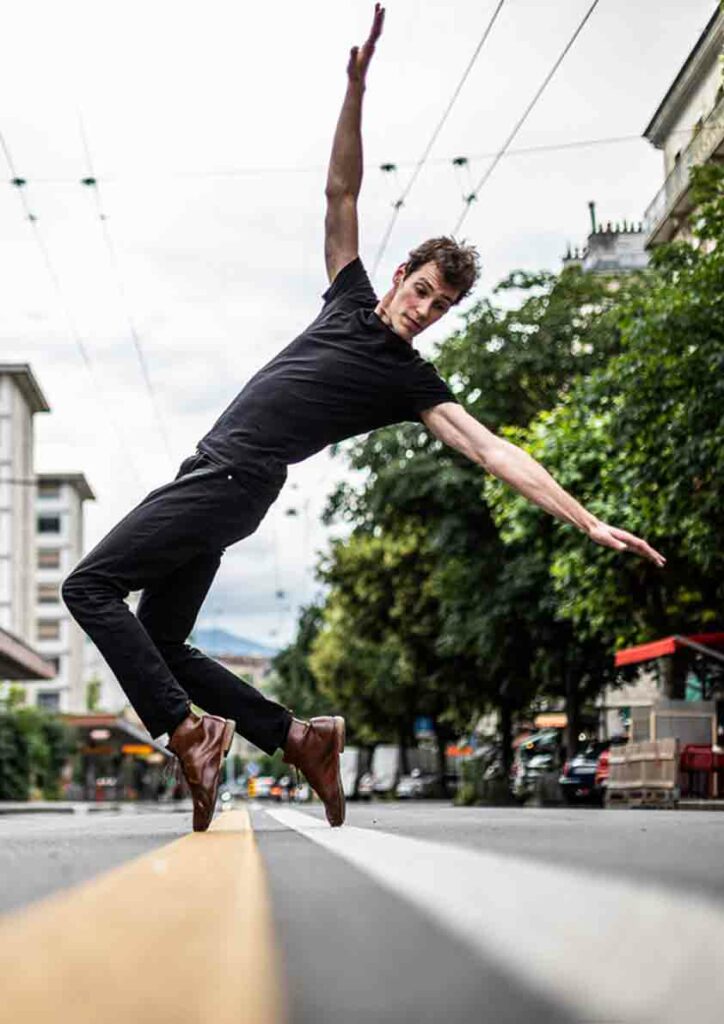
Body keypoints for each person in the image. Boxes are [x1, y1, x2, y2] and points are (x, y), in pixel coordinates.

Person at [62, 4, 664, 833]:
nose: (425, 310)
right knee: (164, 639)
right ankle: (297, 737)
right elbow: (341, 188)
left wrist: (588, 521)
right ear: (398, 275)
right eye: (420, 290)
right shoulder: (348, 295)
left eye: (441, 306)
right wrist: (356, 88)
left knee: (88, 585)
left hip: (232, 480)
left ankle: (188, 733)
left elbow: (494, 451)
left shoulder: (409, 380)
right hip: (217, 481)